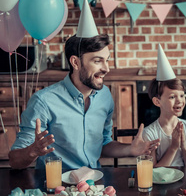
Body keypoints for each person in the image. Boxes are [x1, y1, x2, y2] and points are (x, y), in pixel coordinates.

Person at [9, 34, 159, 170]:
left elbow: (103, 144)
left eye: (107, 60)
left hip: (94, 187)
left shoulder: (104, 95)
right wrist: (33, 151)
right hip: (56, 190)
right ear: (75, 62)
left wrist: (130, 150)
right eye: (97, 61)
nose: (106, 68)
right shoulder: (44, 101)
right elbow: (14, 161)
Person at [142, 78, 186, 167]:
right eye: (172, 97)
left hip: (185, 180)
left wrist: (184, 146)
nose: (179, 101)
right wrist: (173, 147)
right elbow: (153, 172)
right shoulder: (149, 134)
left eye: (182, 95)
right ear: (157, 101)